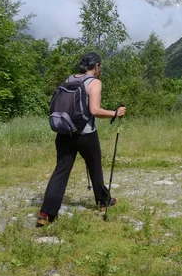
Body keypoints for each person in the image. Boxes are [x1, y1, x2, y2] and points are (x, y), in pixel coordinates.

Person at [36, 52, 126, 227]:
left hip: (63, 133)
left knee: (60, 172)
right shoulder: (94, 83)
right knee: (95, 167)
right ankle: (103, 202)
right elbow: (94, 110)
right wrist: (115, 113)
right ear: (97, 66)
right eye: (100, 67)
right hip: (85, 135)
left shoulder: (70, 80)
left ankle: (45, 214)